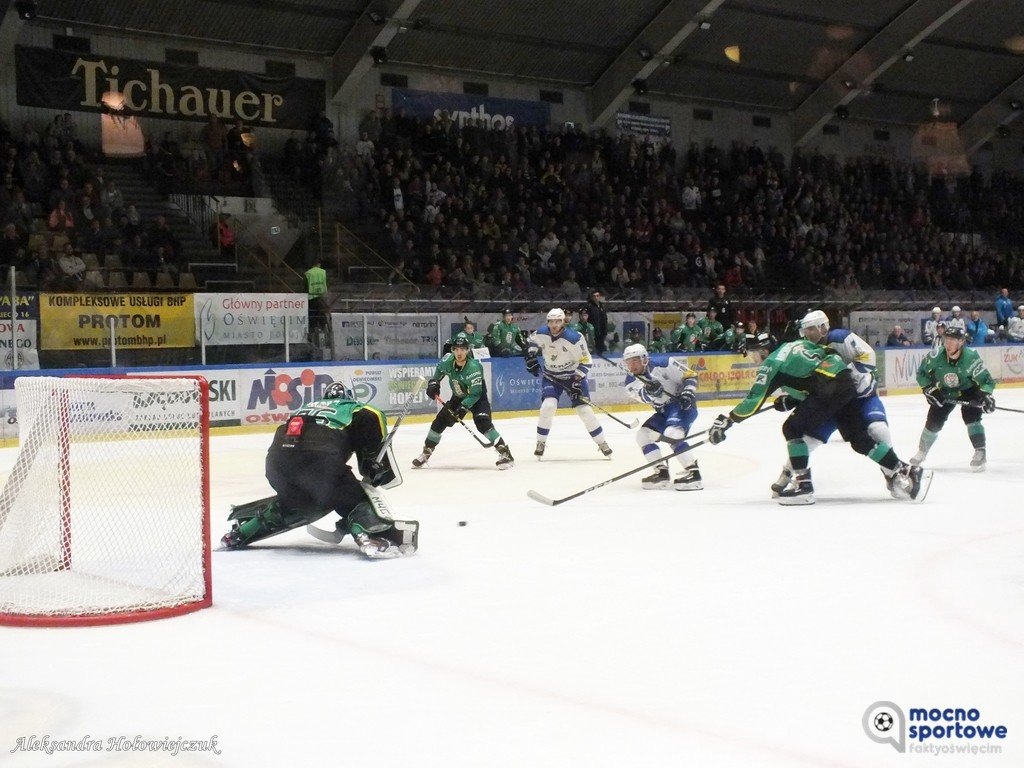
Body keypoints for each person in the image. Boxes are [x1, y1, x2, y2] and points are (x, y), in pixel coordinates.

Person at [706, 312, 929, 504]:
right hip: (845, 384)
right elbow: (815, 370)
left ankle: (803, 485)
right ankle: (907, 470)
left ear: (763, 351)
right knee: (860, 440)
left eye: (753, 353)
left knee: (792, 429)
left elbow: (753, 401)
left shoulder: (771, 363)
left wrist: (728, 420)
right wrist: (794, 399)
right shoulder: (793, 345)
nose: (752, 358)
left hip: (830, 389)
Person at [221, 381, 418, 559]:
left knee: (304, 503)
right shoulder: (357, 408)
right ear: (348, 399)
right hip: (319, 462)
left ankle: (242, 532)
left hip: (276, 465)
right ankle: (368, 535)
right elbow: (372, 436)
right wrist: (376, 470)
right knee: (356, 501)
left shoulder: (305, 408)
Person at [772, 310, 899, 496]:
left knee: (879, 431)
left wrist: (842, 376)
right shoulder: (806, 351)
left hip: (862, 397)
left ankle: (893, 474)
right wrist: (792, 399)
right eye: (804, 330)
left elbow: (868, 356)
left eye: (810, 329)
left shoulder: (841, 338)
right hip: (834, 403)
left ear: (823, 327)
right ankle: (789, 472)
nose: (807, 334)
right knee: (808, 441)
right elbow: (812, 386)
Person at [412, 333, 514, 469]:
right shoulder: (447, 360)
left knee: (483, 423)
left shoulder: (474, 367)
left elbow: (475, 393)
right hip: (458, 397)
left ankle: (505, 453)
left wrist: (463, 407)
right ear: (453, 350)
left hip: (477, 398)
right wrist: (434, 383)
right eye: (456, 349)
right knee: (439, 422)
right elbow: (439, 371)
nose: (459, 353)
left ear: (467, 350)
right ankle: (426, 452)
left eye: (463, 349)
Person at [525, 307, 611, 458]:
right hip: (551, 376)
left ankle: (602, 442)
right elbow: (530, 341)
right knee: (548, 407)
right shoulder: (542, 332)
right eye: (551, 321)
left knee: (584, 411)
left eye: (557, 321)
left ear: (563, 321)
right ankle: (540, 442)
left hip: (573, 376)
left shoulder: (574, 337)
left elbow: (587, 361)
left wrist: (577, 380)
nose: (554, 325)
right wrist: (531, 356)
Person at [911, 325, 996, 471]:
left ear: (961, 342)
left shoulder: (971, 357)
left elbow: (987, 381)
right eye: (946, 339)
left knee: (972, 418)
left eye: (952, 340)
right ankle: (922, 451)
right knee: (933, 421)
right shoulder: (936, 356)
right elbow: (921, 374)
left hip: (967, 390)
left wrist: (986, 395)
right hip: (944, 391)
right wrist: (929, 389)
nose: (948, 344)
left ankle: (980, 452)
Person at [622, 344, 702, 490]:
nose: (631, 365)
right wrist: (650, 390)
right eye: (628, 362)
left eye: (634, 360)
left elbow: (690, 375)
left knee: (672, 434)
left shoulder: (664, 362)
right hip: (663, 411)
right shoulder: (630, 382)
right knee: (643, 436)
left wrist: (688, 392)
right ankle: (661, 472)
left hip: (681, 405)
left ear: (644, 358)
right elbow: (644, 398)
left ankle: (693, 473)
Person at [305, 257, 328, 334]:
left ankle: (312, 329)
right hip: (321, 296)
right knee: (321, 313)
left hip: (311, 296)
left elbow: (306, 286)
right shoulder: (323, 272)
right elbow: (326, 282)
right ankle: (323, 328)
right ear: (319, 264)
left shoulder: (308, 273)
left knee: (312, 313)